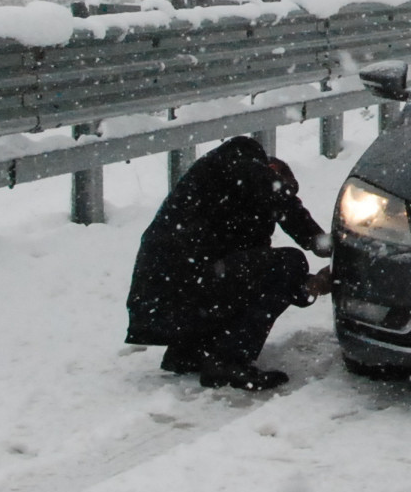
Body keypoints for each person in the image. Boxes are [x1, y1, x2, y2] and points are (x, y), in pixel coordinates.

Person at [125, 133, 333, 390]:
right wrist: (319, 241)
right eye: (285, 189)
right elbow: (278, 203)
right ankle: (228, 361)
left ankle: (190, 351)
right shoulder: (240, 156)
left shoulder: (230, 205)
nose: (285, 197)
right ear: (271, 170)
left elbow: (260, 282)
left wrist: (313, 285)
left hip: (160, 302)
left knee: (265, 269)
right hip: (176, 291)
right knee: (291, 261)